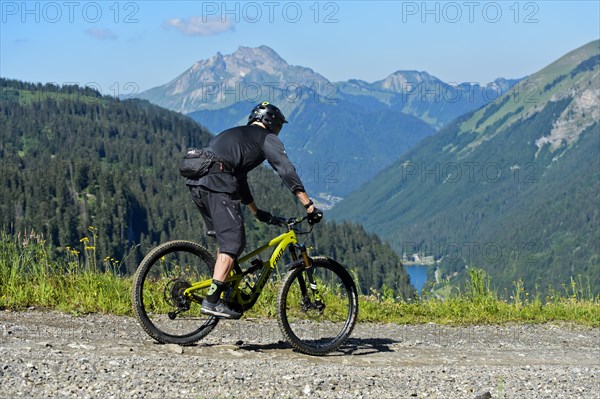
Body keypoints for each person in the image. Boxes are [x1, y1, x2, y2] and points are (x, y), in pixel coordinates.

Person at [186, 102, 323, 319]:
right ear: (274, 123)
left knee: (226, 243)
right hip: (217, 182)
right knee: (233, 243)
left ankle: (225, 291)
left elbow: (239, 180)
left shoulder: (236, 134)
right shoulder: (266, 137)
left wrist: (255, 211)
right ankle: (212, 301)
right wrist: (308, 205)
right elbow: (286, 170)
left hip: (197, 183)